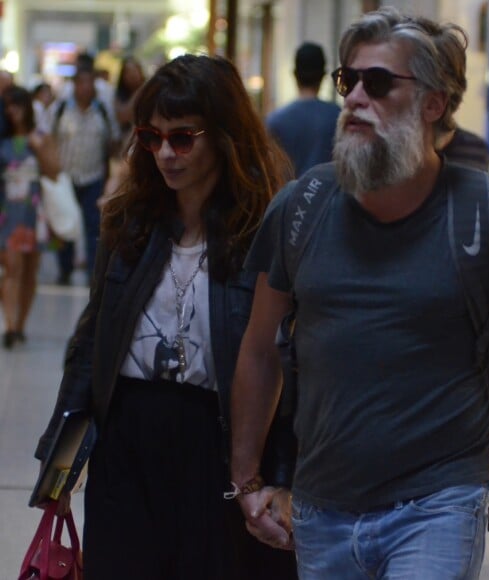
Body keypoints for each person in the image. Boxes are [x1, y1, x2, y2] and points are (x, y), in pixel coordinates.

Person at [229, 7, 489, 580]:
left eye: (378, 82)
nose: (355, 97)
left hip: (439, 502)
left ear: (433, 103)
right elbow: (261, 348)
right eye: (348, 80)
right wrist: (246, 481)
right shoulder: (301, 208)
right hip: (325, 505)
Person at [34, 54, 297, 580]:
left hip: (218, 442)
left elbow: (286, 360)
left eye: (183, 138)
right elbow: (92, 344)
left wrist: (285, 477)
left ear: (224, 137)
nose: (165, 154)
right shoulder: (128, 224)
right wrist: (58, 469)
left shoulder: (263, 234)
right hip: (126, 443)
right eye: (151, 138)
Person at [46, 62, 121, 285]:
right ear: (75, 86)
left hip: (93, 176)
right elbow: (47, 137)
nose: (86, 88)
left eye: (90, 83)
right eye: (82, 83)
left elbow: (114, 139)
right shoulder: (60, 110)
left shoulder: (103, 111)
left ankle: (92, 272)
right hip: (66, 178)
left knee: (93, 225)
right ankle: (64, 268)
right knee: (64, 225)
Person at [0, 86, 59, 348]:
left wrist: (39, 148)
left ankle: (20, 324)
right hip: (6, 211)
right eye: (8, 106)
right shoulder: (2, 139)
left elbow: (55, 172)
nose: (13, 111)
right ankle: (11, 326)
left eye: (18, 105)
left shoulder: (41, 137)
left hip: (33, 211)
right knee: (12, 268)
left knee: (29, 271)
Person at [266, 42, 340, 177]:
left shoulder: (275, 121)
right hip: (328, 196)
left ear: (295, 74)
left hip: (289, 197)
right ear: (323, 75)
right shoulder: (338, 117)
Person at [114, 56, 146, 149]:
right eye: (128, 72)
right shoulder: (119, 95)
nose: (132, 75)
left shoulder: (150, 91)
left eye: (135, 70)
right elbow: (123, 116)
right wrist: (141, 89)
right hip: (127, 143)